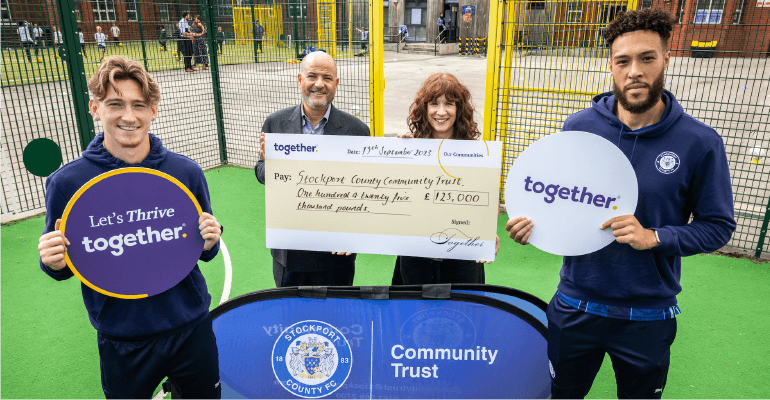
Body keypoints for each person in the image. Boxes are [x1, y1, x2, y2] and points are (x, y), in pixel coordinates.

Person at [504, 9, 735, 399]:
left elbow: (717, 225)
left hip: (647, 315)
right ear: (610, 66)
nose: (634, 72)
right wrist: (533, 227)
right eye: (623, 61)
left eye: (647, 58)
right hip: (575, 305)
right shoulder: (579, 128)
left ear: (666, 59)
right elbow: (559, 201)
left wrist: (654, 237)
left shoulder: (700, 142)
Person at [37, 56, 223, 399]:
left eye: (139, 104)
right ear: (95, 108)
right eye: (115, 104)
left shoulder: (186, 172)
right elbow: (63, 266)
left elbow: (203, 250)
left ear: (154, 109)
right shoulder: (68, 183)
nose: (129, 116)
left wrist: (211, 240)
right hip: (122, 337)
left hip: (189, 326)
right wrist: (52, 261)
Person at [254, 52, 370, 287]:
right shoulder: (275, 124)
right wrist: (272, 168)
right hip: (289, 249)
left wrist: (355, 236)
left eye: (327, 77)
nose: (319, 84)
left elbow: (366, 191)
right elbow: (260, 171)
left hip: (335, 254)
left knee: (335, 319)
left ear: (336, 83)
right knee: (294, 318)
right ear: (300, 80)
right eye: (312, 76)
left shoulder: (356, 130)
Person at [391, 72, 499, 285]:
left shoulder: (477, 154)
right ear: (425, 108)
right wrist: (398, 154)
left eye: (449, 104)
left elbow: (489, 200)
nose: (441, 112)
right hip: (415, 258)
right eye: (434, 104)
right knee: (411, 314)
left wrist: (487, 230)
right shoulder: (410, 149)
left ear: (459, 110)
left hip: (462, 260)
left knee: (462, 315)